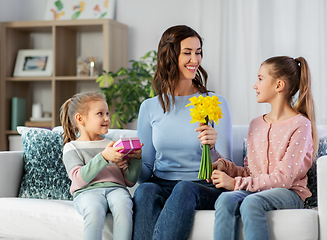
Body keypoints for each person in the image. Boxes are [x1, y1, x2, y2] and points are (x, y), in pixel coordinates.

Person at [133, 25, 233, 240]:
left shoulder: (215, 103)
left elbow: (228, 167)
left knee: (184, 188)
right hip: (162, 183)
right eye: (187, 52)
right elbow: (145, 174)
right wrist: (130, 161)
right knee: (145, 191)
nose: (194, 60)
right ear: (170, 56)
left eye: (198, 52)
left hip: (202, 186)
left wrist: (213, 148)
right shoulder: (149, 107)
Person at [212, 56, 318, 240]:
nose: (255, 85)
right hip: (257, 189)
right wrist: (226, 168)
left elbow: (284, 179)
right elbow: (251, 174)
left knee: (251, 203)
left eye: (260, 79)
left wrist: (235, 184)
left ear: (279, 85)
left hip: (289, 192)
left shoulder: (301, 125)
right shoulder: (255, 125)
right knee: (225, 199)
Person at [60, 92, 142, 240]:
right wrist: (103, 157)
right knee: (94, 209)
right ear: (80, 119)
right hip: (86, 192)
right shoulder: (72, 147)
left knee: (124, 205)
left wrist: (136, 159)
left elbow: (129, 181)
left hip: (116, 189)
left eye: (107, 113)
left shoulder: (113, 144)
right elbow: (78, 178)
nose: (106, 118)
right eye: (100, 113)